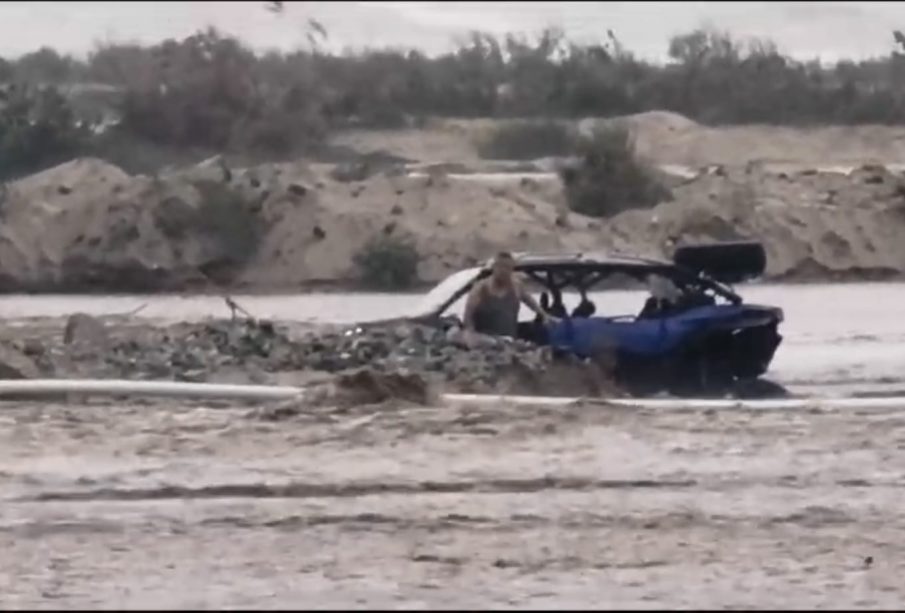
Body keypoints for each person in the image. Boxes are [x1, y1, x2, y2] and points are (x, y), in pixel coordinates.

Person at [462, 252, 555, 344]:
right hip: (486, 343)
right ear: (494, 267)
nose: (504, 271)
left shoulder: (516, 286)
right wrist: (471, 334)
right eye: (501, 267)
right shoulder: (481, 288)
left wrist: (544, 315)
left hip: (508, 343)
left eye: (507, 268)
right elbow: (468, 315)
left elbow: (529, 301)